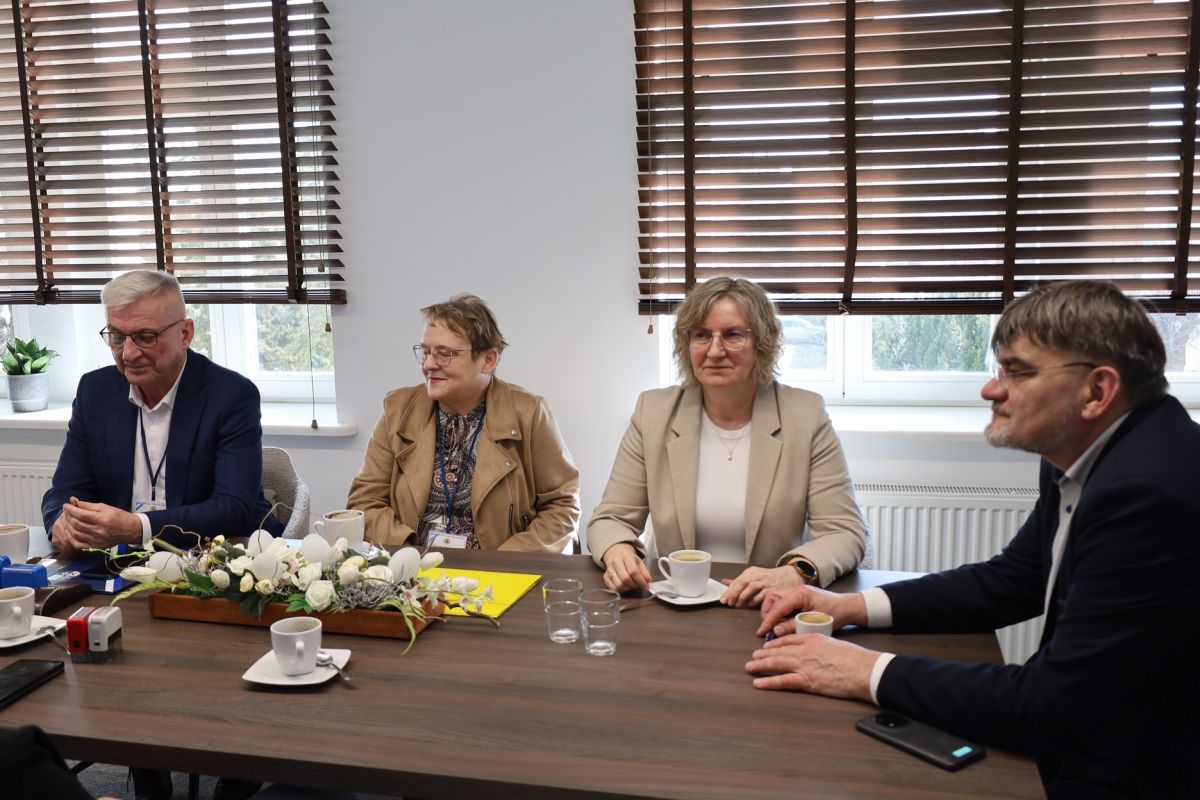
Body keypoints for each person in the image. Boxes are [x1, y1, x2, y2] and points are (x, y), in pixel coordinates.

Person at [747, 280, 1200, 799]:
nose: (990, 390)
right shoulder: (1088, 449)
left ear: (1097, 391)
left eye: (1016, 371)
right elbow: (1014, 580)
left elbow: (1052, 706)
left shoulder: (1149, 493)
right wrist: (849, 607)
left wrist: (860, 668)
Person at [586, 278, 867, 606]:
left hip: (766, 604)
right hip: (676, 605)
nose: (715, 351)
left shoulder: (805, 415)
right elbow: (610, 519)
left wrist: (796, 572)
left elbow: (844, 532)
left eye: (733, 335)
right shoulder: (653, 413)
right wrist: (617, 550)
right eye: (701, 335)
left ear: (762, 342)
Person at [41, 268, 276, 555]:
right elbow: (65, 490)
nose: (128, 353)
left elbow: (233, 508)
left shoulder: (230, 395)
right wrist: (61, 523)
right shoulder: (95, 392)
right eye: (117, 336)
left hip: (209, 558)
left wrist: (139, 527)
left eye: (145, 337)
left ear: (185, 334)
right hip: (118, 561)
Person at [347, 293, 580, 551]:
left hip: (498, 569)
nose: (428, 364)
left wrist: (504, 562)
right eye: (425, 352)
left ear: (488, 360)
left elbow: (562, 507)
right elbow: (365, 502)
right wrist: (411, 552)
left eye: (444, 354)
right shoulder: (397, 409)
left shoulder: (529, 413)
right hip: (414, 566)